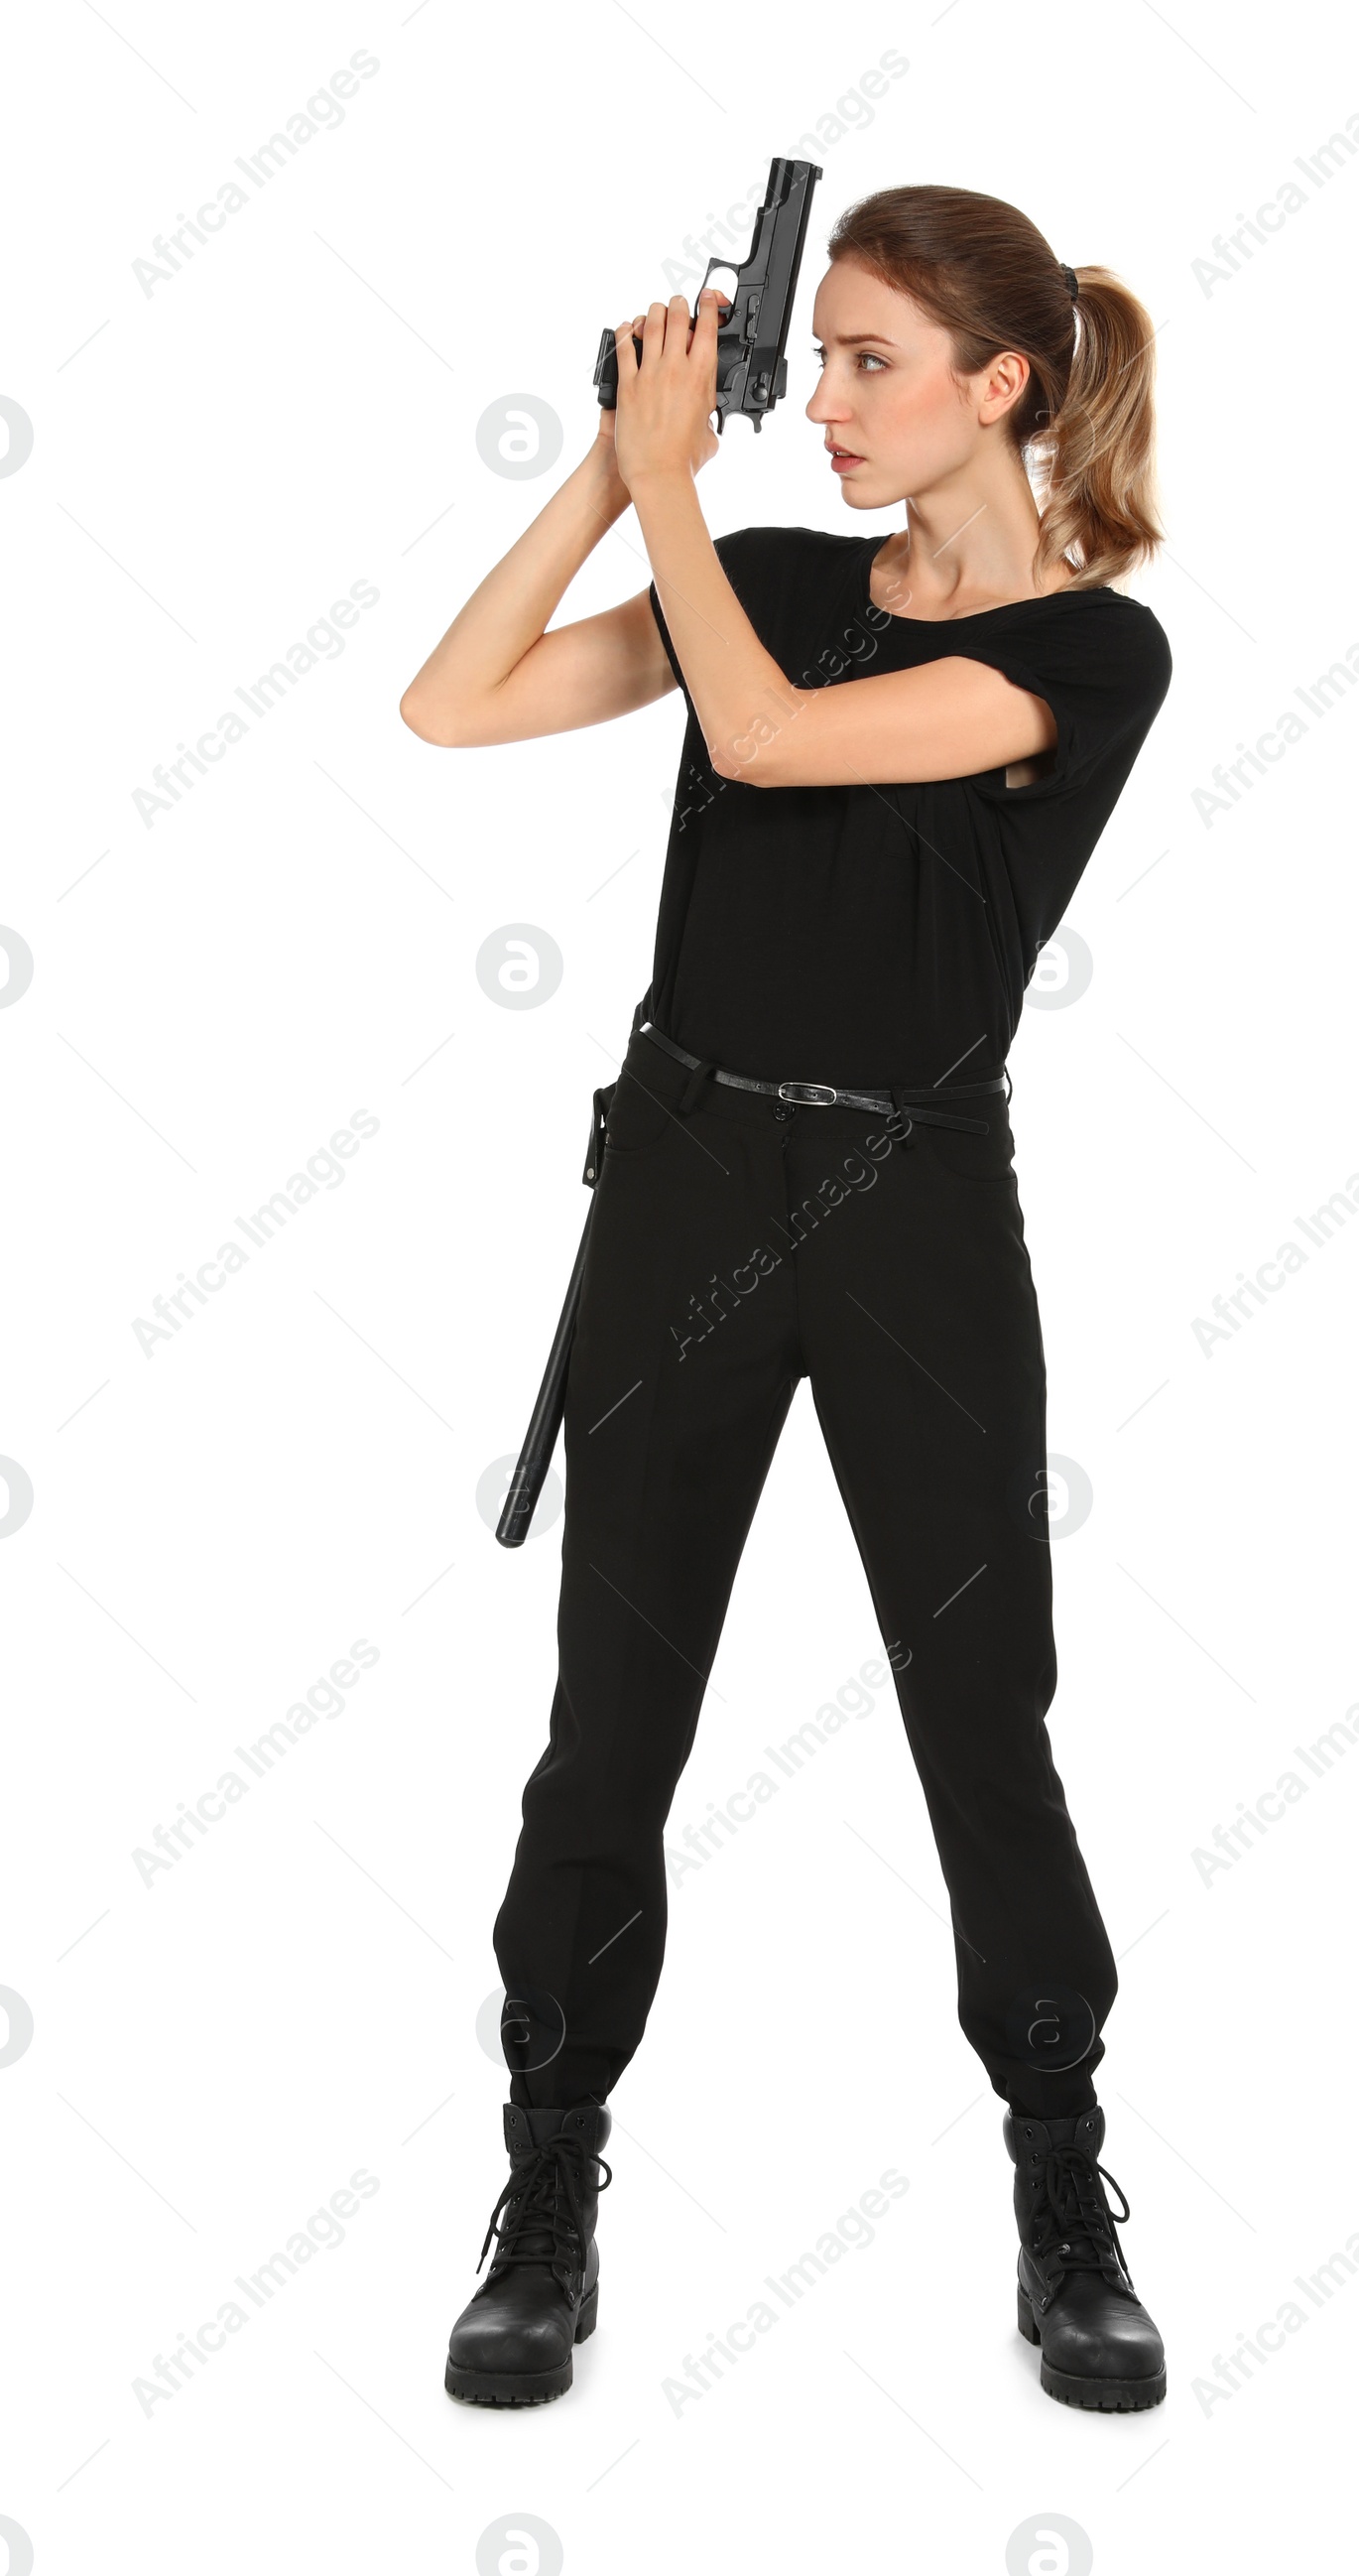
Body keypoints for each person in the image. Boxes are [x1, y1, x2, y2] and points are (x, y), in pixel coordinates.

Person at [401, 184, 1174, 2414]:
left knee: (975, 1708)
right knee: (606, 1723)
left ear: (994, 385)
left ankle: (1060, 2180)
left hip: (910, 1192)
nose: (819, 407)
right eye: (801, 359)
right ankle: (548, 2185)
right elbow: (453, 705)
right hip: (680, 1171)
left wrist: (668, 492)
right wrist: (612, 452)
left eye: (864, 364)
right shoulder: (765, 584)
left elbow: (760, 745)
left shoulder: (1085, 654)